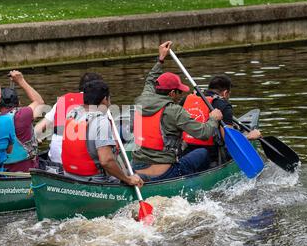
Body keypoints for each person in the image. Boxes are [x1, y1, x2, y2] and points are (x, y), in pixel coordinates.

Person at [131, 41, 224, 182]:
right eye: (179, 92)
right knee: (202, 153)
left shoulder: (142, 99)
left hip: (136, 167)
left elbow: (150, 79)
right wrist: (213, 118)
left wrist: (161, 58)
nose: (181, 95)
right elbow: (204, 134)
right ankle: (200, 184)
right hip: (164, 173)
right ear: (172, 93)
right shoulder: (174, 110)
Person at [61, 79, 144, 187]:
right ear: (105, 99)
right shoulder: (101, 122)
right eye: (109, 98)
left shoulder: (72, 113)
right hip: (95, 181)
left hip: (69, 176)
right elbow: (106, 161)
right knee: (137, 177)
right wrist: (127, 179)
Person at [180, 74, 262, 163]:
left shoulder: (186, 99)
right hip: (210, 157)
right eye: (229, 94)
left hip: (184, 152)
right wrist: (249, 137)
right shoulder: (224, 105)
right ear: (225, 93)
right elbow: (230, 141)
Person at [34, 72, 103, 165]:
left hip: (55, 159)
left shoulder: (62, 100)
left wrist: (35, 139)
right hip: (77, 162)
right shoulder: (98, 102)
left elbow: (37, 130)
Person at [0, 70, 44, 172]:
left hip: (5, 172)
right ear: (19, 103)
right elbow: (40, 102)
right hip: (28, 171)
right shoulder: (23, 114)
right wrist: (21, 81)